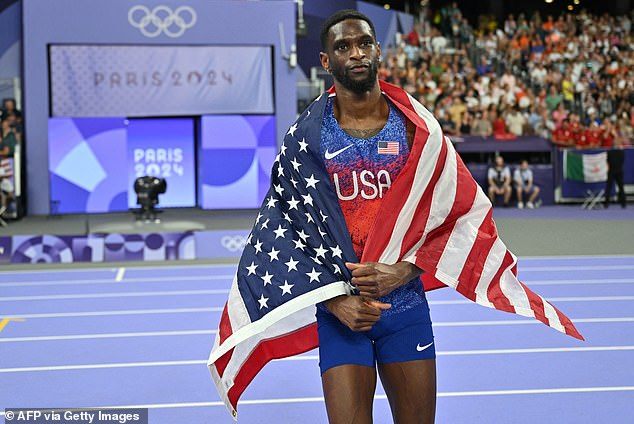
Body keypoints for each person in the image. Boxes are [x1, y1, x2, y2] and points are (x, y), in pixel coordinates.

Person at [317, 11, 435, 423]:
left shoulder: (415, 128)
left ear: (378, 50)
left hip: (405, 305)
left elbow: (447, 218)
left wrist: (401, 272)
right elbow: (292, 233)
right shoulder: (307, 137)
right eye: (343, 47)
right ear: (326, 62)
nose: (357, 53)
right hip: (342, 312)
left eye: (364, 43)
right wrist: (334, 301)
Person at [604, 139, 626, 208]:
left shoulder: (610, 152)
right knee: (621, 187)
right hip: (619, 171)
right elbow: (622, 161)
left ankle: (606, 204)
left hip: (612, 171)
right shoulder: (621, 152)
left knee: (609, 187)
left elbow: (608, 161)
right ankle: (623, 204)